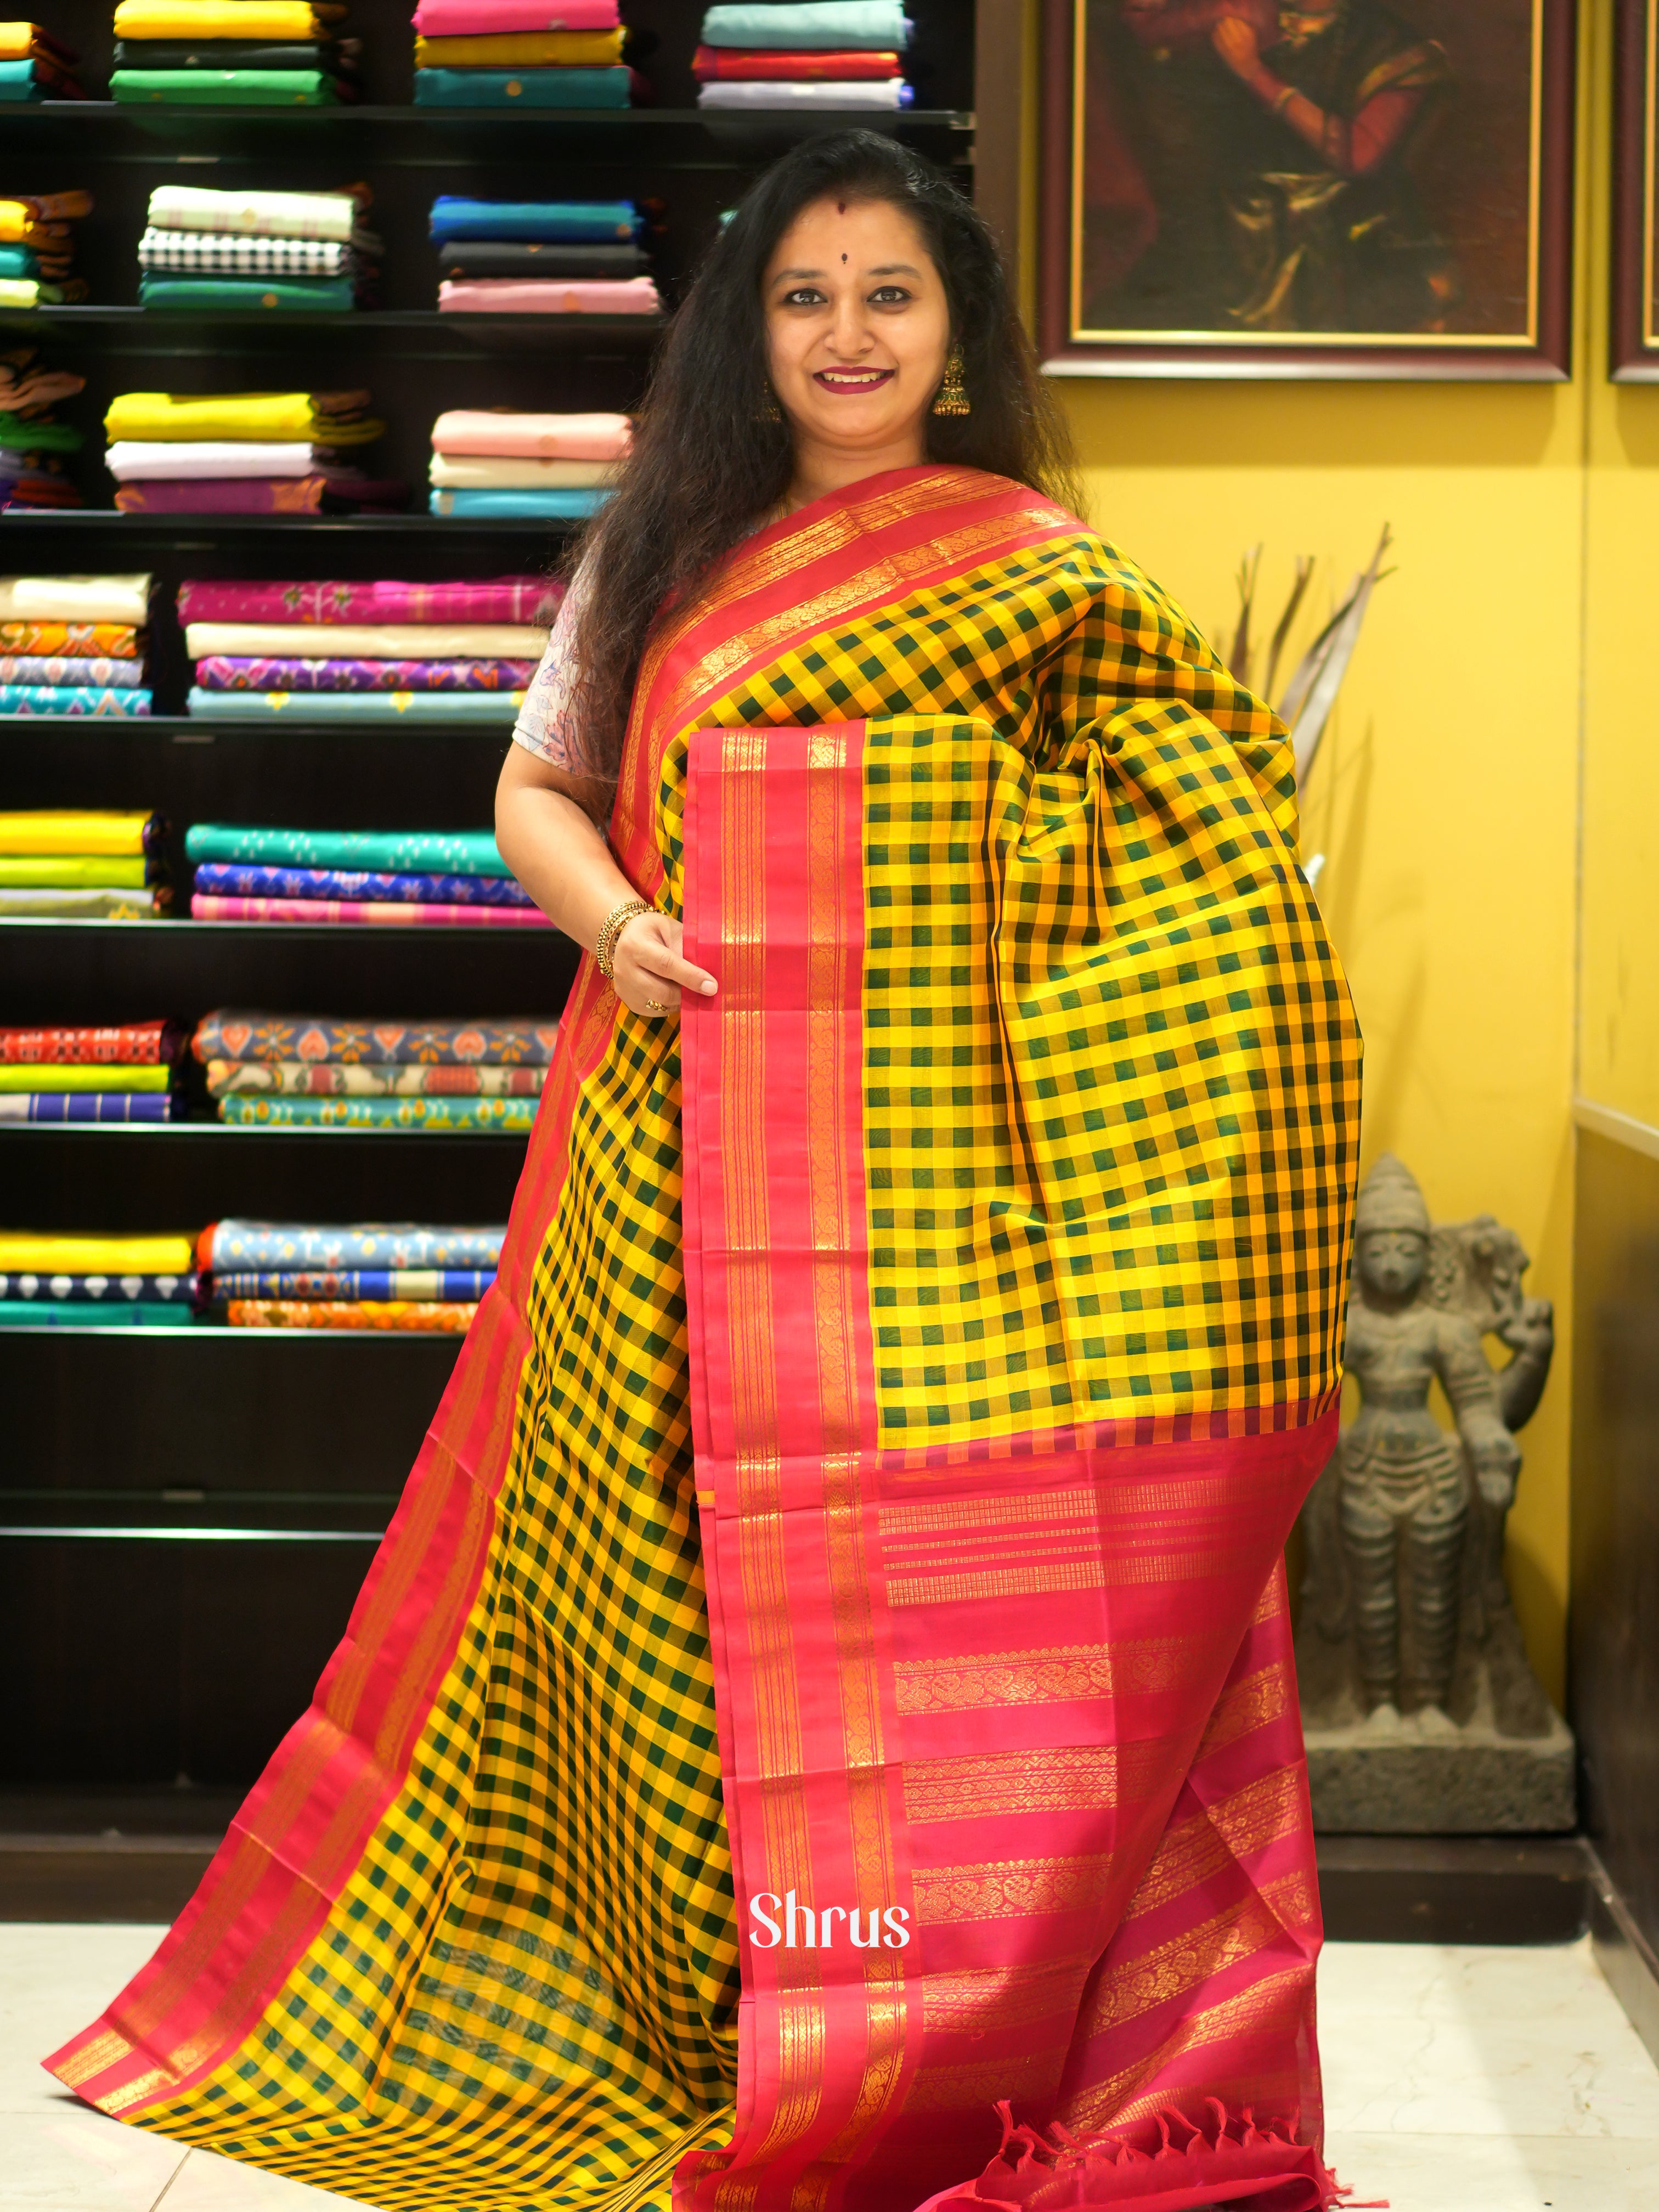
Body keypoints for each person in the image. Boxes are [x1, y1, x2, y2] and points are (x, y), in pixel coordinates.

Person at [49, 132, 1362, 2212]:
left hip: (946, 1224)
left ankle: (938, 2004)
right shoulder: (663, 553)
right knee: (668, 1588)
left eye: (892, 294)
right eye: (806, 296)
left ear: (958, 332)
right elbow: (534, 791)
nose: (851, 334)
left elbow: (1186, 859)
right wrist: (617, 925)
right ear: (751, 337)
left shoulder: (1048, 570)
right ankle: (712, 1998)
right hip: (674, 1168)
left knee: (908, 1605)